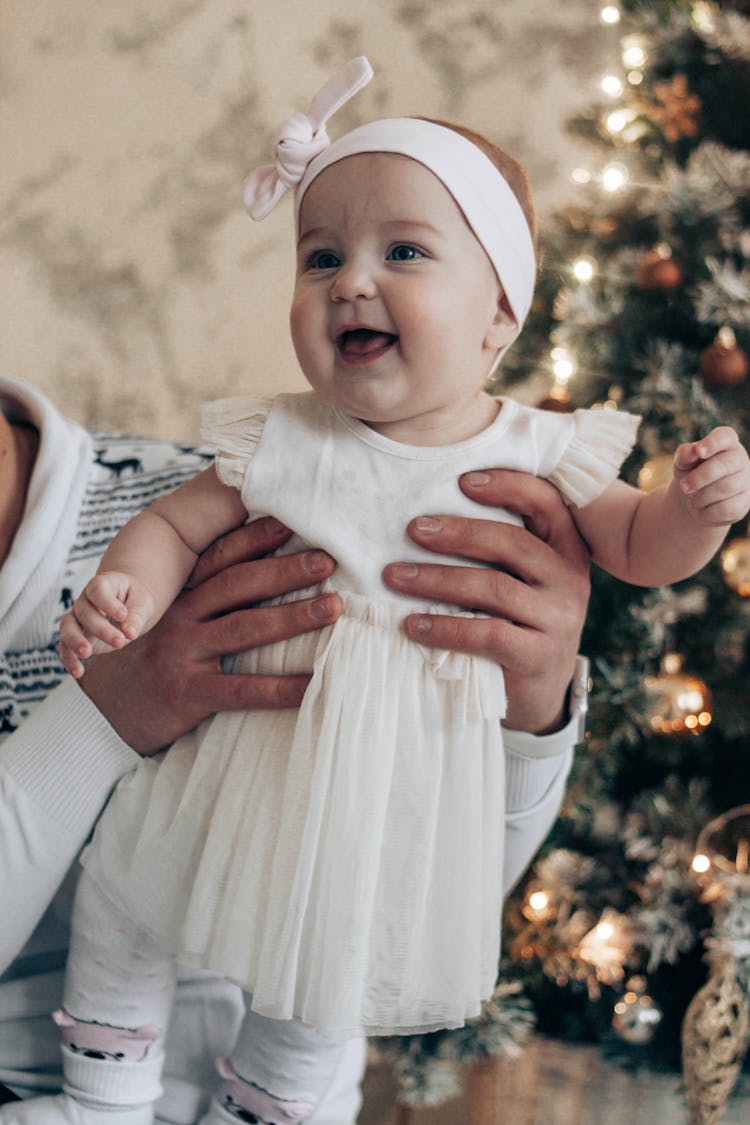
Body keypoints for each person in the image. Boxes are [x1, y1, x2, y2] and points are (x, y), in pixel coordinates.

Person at [10, 51, 723, 1124]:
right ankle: (100, 1094)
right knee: (128, 893)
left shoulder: (539, 452)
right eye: (320, 256)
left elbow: (633, 540)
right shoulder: (281, 440)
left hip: (386, 770)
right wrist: (127, 595)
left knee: (332, 959)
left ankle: (279, 1105)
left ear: (500, 317)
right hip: (221, 772)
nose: (350, 280)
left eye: (402, 252)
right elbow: (171, 526)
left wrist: (693, 514)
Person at [0, 380, 591, 1123]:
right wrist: (104, 715)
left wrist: (536, 714)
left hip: (277, 1090)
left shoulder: (245, 503)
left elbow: (409, 885)